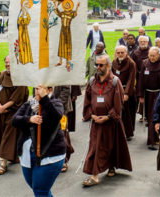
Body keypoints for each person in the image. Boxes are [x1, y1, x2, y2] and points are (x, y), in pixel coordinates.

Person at [82, 54, 132, 187]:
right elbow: (87, 100)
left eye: (101, 65)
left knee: (111, 146)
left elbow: (118, 103)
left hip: (110, 122)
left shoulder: (115, 81)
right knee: (96, 147)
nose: (98, 67)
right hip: (96, 122)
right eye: (96, 65)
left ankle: (111, 167)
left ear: (108, 66)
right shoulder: (92, 81)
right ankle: (94, 175)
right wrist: (91, 115)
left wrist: (109, 116)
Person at [12, 85, 66, 196]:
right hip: (28, 154)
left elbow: (55, 116)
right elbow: (14, 120)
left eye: (41, 88)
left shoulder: (56, 103)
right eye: (36, 88)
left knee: (40, 190)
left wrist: (45, 99)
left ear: (49, 90)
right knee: (38, 189)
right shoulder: (30, 104)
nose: (37, 91)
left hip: (50, 155)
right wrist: (29, 119)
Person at [0, 56, 29, 175]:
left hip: (13, 113)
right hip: (0, 112)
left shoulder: (21, 78)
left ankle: (3, 164)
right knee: (2, 135)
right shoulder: (1, 75)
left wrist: (4, 107)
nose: (8, 65)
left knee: (8, 137)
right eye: (6, 63)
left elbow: (18, 96)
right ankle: (14, 156)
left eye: (10, 63)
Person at [138, 47, 160, 149]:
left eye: (153, 56)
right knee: (149, 116)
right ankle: (154, 138)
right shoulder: (144, 63)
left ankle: (153, 140)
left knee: (155, 115)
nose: (151, 58)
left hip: (159, 94)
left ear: (158, 55)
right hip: (148, 94)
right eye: (150, 55)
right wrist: (141, 95)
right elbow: (141, 80)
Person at [112, 45, 137, 139]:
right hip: (116, 90)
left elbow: (131, 79)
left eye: (122, 52)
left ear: (126, 53)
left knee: (128, 113)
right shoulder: (114, 62)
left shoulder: (131, 63)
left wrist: (126, 93)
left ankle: (128, 133)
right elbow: (111, 77)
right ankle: (118, 131)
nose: (120, 54)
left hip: (127, 90)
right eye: (118, 52)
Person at [53, 86, 74, 173]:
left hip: (62, 109)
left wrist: (56, 104)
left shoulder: (61, 72)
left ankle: (64, 160)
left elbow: (66, 89)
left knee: (62, 134)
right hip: (46, 107)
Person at [131, 36, 150, 122]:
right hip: (138, 77)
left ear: (148, 42)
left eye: (145, 41)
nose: (143, 43)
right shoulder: (135, 53)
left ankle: (146, 115)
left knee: (148, 97)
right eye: (141, 41)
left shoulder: (151, 51)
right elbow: (132, 65)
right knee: (139, 95)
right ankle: (138, 114)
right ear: (138, 42)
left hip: (149, 77)